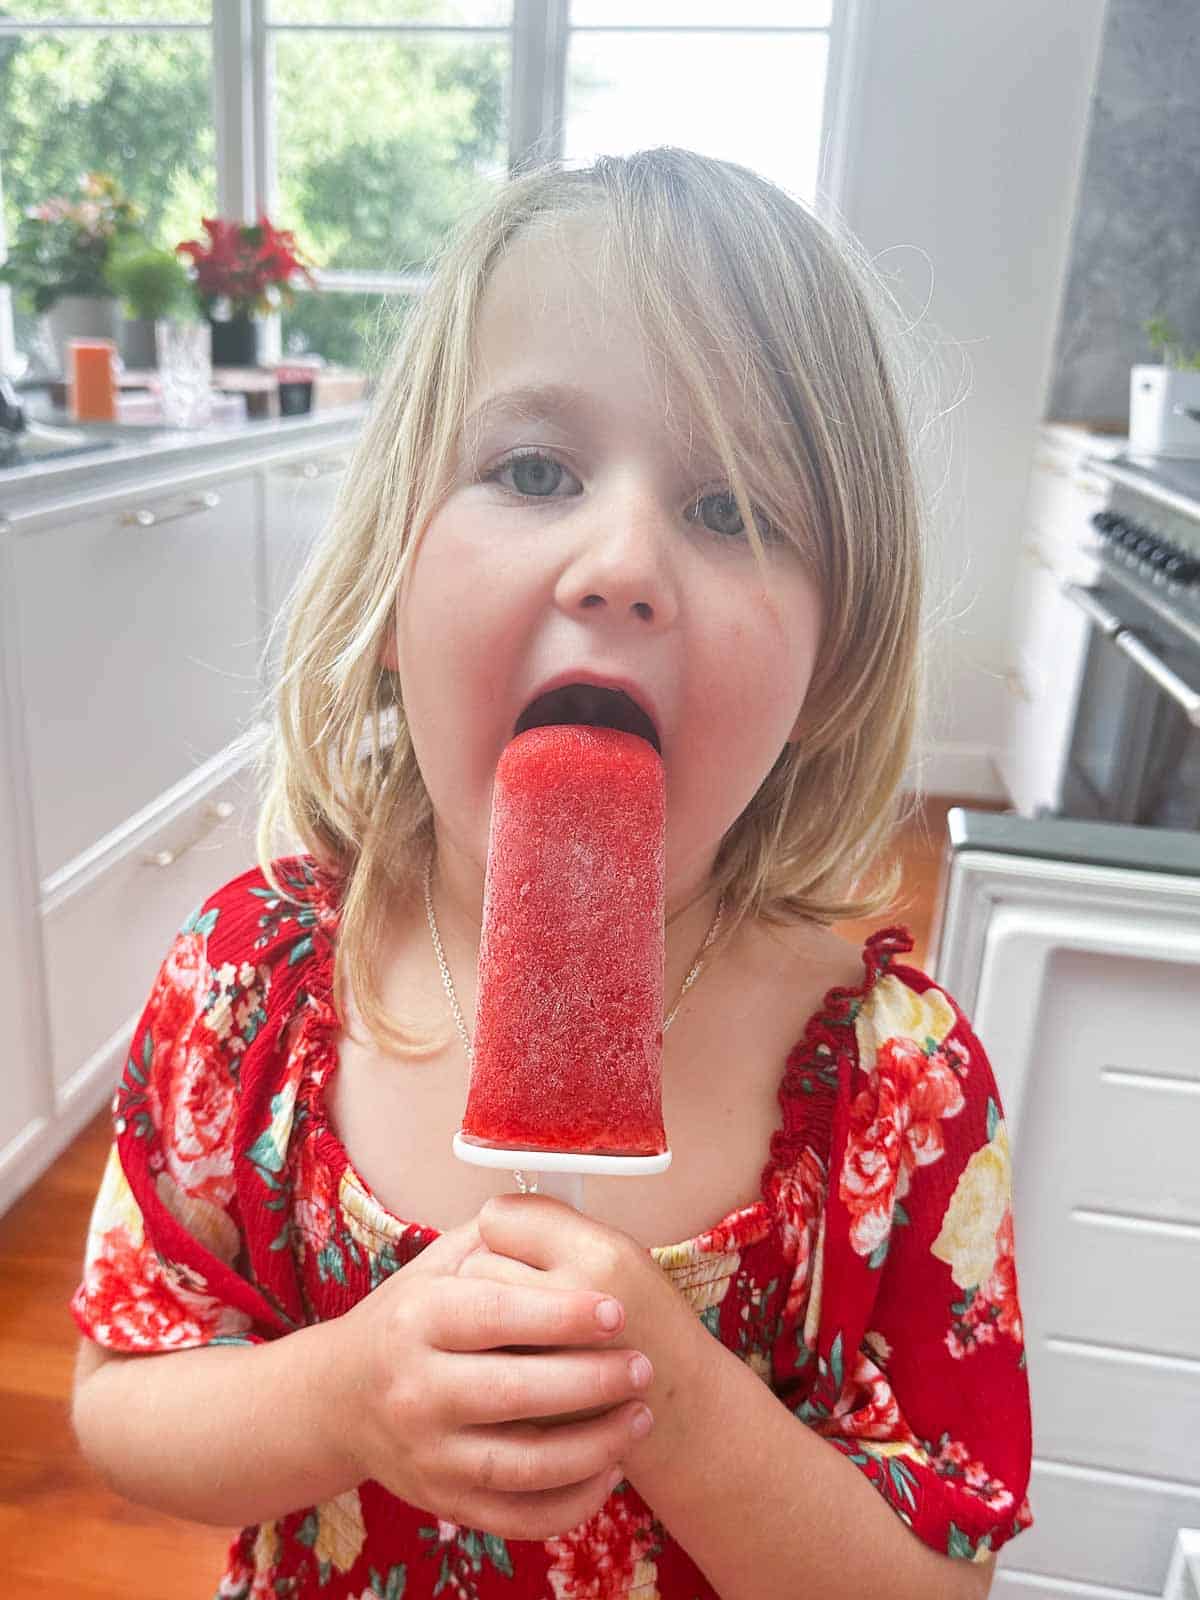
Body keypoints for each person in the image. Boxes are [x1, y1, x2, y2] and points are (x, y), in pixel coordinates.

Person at [69, 147, 1033, 1599]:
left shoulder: (904, 1094)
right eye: (534, 471)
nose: (622, 559)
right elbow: (121, 1398)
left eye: (735, 512)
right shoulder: (247, 989)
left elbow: (940, 1581)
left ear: (830, 668)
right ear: (391, 586)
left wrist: (684, 1410)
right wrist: (347, 1398)